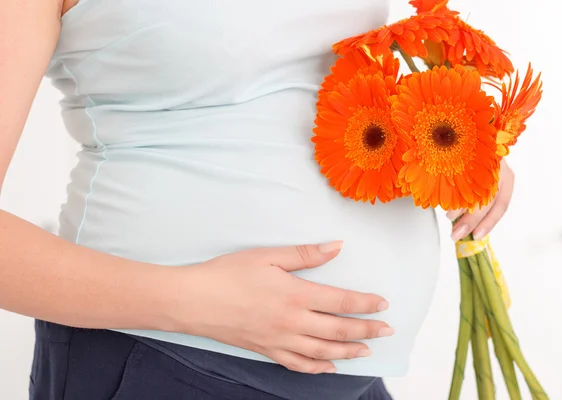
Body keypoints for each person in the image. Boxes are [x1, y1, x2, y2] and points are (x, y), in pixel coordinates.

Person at [0, 0, 515, 399]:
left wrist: (451, 145)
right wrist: (190, 303)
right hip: (165, 359)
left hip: (353, 377)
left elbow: (306, 84)